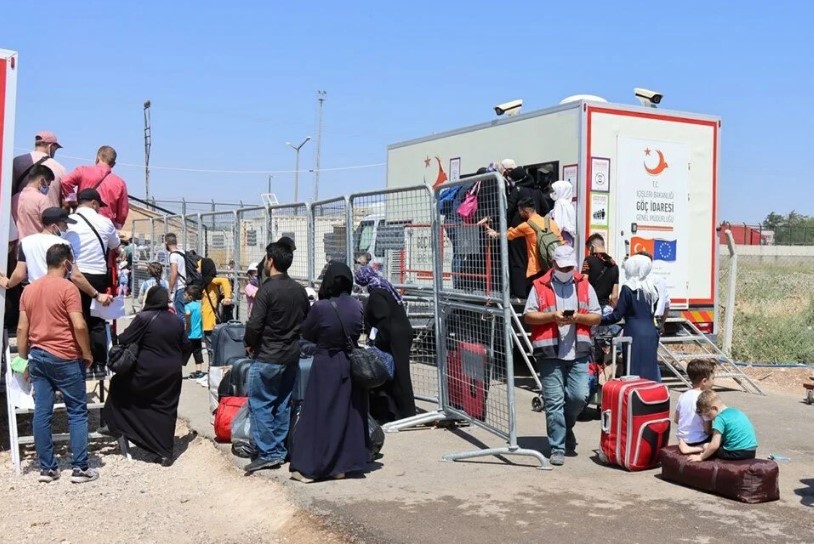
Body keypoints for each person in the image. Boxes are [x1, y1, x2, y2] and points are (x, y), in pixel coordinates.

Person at [17, 244, 98, 483]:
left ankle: (47, 469)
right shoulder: (68, 288)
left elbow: (22, 328)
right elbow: (79, 325)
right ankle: (80, 468)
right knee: (77, 412)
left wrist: (22, 361)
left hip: (37, 356)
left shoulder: (29, 290)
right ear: (66, 263)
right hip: (66, 356)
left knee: (42, 413)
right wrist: (87, 353)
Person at [289, 261, 369, 482]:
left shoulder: (322, 307)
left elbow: (308, 333)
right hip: (349, 364)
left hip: (326, 364)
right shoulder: (356, 305)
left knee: (319, 415)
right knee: (346, 415)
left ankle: (313, 467)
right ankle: (342, 466)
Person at [524, 245, 602, 466]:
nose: (567, 269)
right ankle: (558, 446)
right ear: (554, 264)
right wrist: (551, 316)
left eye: (570, 266)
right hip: (549, 352)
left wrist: (577, 317)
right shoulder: (539, 286)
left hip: (578, 351)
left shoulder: (584, 285)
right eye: (563, 266)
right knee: (554, 401)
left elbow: (596, 316)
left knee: (579, 396)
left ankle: (566, 429)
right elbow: (529, 315)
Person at [243, 237, 310, 473]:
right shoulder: (299, 290)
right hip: (290, 356)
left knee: (260, 404)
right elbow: (306, 321)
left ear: (270, 261)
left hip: (267, 357)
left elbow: (254, 325)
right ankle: (279, 449)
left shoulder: (267, 290)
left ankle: (269, 452)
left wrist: (249, 344)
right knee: (282, 404)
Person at [102, 287, 189, 466]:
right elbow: (186, 346)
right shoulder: (176, 321)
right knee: (166, 409)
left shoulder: (144, 318)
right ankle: (165, 453)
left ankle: (116, 424)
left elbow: (125, 338)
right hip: (172, 373)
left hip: (146, 371)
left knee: (119, 385)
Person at [63, 189, 121, 379]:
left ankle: (81, 361)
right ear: (94, 203)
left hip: (75, 274)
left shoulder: (68, 222)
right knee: (97, 321)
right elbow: (115, 246)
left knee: (77, 318)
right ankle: (99, 365)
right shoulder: (105, 222)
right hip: (97, 275)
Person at [0, 208, 113, 304]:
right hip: (57, 295)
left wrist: (8, 284)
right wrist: (96, 295)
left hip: (32, 294)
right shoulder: (64, 245)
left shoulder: (25, 242)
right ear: (54, 226)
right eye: (64, 224)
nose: (67, 228)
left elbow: (19, 274)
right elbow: (75, 276)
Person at [354, 265, 417, 423]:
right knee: (398, 372)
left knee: (398, 374)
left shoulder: (376, 295)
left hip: (394, 337)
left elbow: (383, 320)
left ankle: (405, 413)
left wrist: (377, 340)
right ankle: (400, 410)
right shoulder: (384, 287)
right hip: (400, 334)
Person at [601, 254, 661, 382]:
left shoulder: (628, 288)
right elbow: (653, 311)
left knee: (633, 371)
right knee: (649, 371)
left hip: (634, 332)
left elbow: (617, 315)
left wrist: (598, 320)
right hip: (650, 331)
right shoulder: (652, 289)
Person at [484, 196, 564, 292]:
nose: (519, 214)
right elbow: (561, 241)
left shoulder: (526, 226)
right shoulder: (551, 222)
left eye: (520, 211)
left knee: (538, 298)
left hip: (537, 268)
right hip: (555, 265)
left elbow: (509, 235)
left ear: (524, 211)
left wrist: (495, 234)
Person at [60, 145, 129, 229]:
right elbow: (123, 211)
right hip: (105, 225)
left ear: (98, 157)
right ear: (113, 164)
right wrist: (117, 225)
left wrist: (73, 202)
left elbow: (65, 181)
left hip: (82, 220)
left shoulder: (82, 170)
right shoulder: (120, 183)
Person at [689, 390, 758, 462]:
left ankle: (689, 449)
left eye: (708, 415)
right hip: (751, 451)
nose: (709, 418)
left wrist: (701, 457)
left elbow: (714, 445)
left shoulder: (720, 418)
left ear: (714, 408)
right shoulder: (735, 411)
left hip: (737, 453)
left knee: (707, 446)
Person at [12, 131, 66, 208]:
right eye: (56, 148)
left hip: (18, 214)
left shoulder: (17, 161)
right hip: (49, 216)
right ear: (51, 146)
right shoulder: (60, 168)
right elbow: (65, 200)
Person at [675, 359, 716, 454]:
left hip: (683, 439)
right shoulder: (705, 399)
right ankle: (700, 448)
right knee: (721, 439)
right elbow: (707, 430)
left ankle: (687, 447)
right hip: (698, 441)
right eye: (713, 378)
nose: (714, 382)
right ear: (704, 381)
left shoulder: (683, 395)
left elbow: (677, 419)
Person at [11, 164, 54, 239]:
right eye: (48, 184)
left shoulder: (14, 198)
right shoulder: (43, 199)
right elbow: (50, 227)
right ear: (42, 180)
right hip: (37, 245)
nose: (48, 188)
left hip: (17, 246)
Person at [199, 257, 233, 352]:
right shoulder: (205, 281)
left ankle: (212, 363)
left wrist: (227, 297)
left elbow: (225, 281)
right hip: (207, 317)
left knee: (211, 347)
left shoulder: (211, 280)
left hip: (209, 317)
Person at [582, 233, 619, 311]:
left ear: (592, 247)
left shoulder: (589, 260)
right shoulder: (614, 266)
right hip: (606, 308)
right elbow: (615, 296)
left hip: (592, 307)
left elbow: (583, 283)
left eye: (589, 249)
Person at [636, 250, 671, 334]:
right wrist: (662, 323)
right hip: (656, 322)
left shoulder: (636, 280)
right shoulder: (660, 280)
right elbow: (667, 305)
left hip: (640, 322)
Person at [184, 284, 206, 379]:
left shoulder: (188, 306)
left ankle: (177, 370)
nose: (183, 296)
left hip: (189, 334)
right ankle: (199, 371)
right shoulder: (200, 305)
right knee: (197, 352)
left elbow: (188, 314)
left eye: (185, 295)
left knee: (184, 353)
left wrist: (187, 326)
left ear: (190, 297)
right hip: (198, 335)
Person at [165, 233, 187, 320]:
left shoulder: (173, 255)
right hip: (186, 285)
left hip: (180, 287)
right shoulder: (182, 252)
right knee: (184, 312)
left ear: (166, 242)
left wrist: (170, 290)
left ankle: (182, 333)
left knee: (180, 314)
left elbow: (174, 273)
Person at [548, 180, 576, 247]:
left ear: (561, 191)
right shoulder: (568, 204)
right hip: (568, 237)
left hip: (561, 237)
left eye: (554, 191)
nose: (552, 193)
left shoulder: (559, 203)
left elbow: (558, 224)